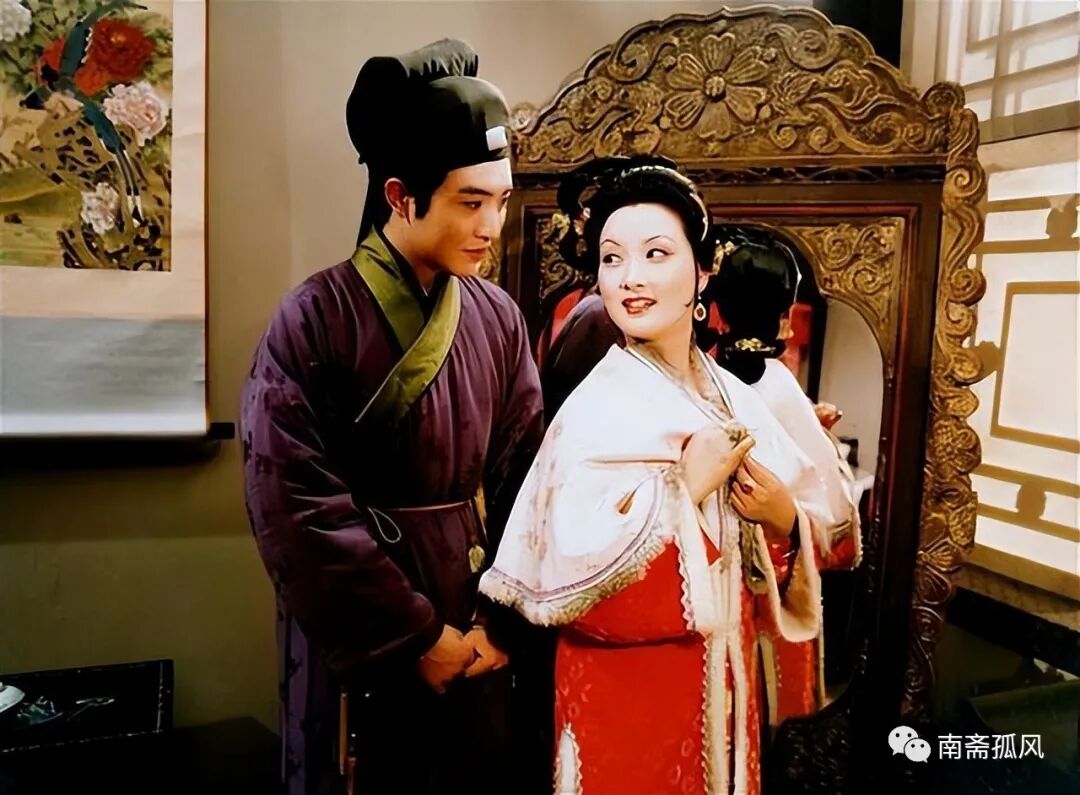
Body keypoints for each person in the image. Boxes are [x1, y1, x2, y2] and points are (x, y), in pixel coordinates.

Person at [240, 39, 544, 794]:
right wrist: (415, 636)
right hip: (367, 630)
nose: (492, 225)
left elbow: (530, 478)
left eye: (502, 200)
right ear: (401, 196)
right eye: (470, 202)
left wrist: (501, 622)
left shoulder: (499, 318)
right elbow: (294, 505)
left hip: (475, 620)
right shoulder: (314, 319)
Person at [479, 156, 834, 794]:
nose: (631, 278)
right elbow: (576, 591)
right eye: (612, 259)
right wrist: (682, 489)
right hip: (625, 692)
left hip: (726, 687)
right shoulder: (593, 410)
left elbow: (819, 532)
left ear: (703, 271)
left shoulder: (737, 398)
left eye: (656, 254)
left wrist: (782, 518)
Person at [707, 224, 862, 726]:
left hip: (721, 580)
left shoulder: (713, 372)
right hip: (753, 573)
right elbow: (831, 509)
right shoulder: (770, 380)